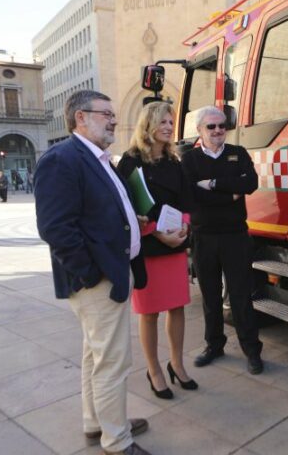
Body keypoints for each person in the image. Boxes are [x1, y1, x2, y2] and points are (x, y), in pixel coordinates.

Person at [34, 90, 153, 455]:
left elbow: (97, 211)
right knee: (113, 361)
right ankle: (117, 441)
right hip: (99, 280)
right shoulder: (62, 159)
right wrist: (90, 274)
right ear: (80, 118)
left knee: (95, 355)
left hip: (110, 270)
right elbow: (56, 228)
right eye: (106, 114)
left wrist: (131, 222)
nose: (114, 120)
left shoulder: (97, 158)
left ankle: (97, 423)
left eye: (113, 114)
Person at [117, 101, 197, 400]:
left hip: (175, 244)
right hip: (148, 246)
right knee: (149, 313)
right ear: (148, 124)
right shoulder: (130, 162)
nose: (168, 127)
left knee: (177, 307)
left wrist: (184, 227)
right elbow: (126, 209)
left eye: (170, 122)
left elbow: (186, 202)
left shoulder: (175, 162)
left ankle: (177, 364)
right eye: (162, 121)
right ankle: (154, 371)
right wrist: (157, 233)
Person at [180, 106, 264, 375]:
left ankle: (252, 350)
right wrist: (230, 194)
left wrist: (213, 184)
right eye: (211, 126)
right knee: (210, 296)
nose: (218, 130)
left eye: (222, 126)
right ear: (199, 130)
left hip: (235, 236)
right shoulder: (189, 160)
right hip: (203, 237)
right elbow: (191, 195)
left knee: (241, 296)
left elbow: (250, 183)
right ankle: (214, 345)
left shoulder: (238, 153)